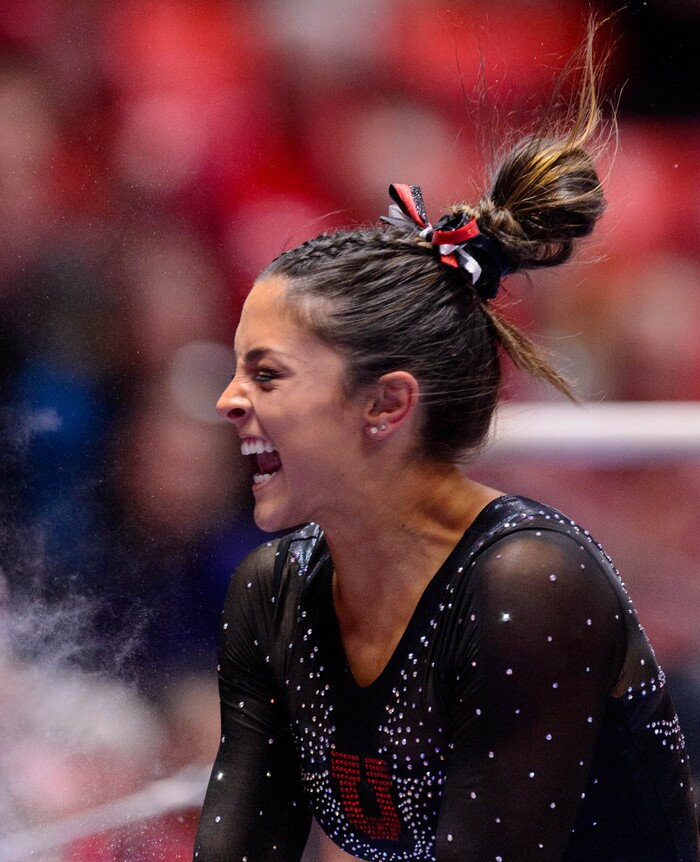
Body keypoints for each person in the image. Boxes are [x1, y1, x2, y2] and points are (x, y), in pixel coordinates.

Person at [193, 33, 700, 862]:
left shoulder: (528, 588)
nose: (228, 400)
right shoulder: (272, 593)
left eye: (268, 374)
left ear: (386, 405)